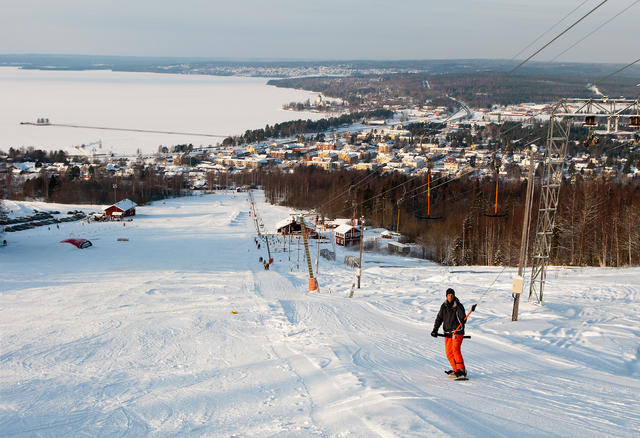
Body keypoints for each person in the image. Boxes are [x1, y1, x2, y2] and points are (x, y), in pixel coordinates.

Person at [431, 288, 467, 379]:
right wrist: (435, 329)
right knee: (449, 353)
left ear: (454, 296)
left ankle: (461, 370)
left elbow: (463, 317)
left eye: (452, 295)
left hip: (457, 332)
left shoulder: (458, 305)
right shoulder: (443, 306)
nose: (450, 296)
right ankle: (456, 370)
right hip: (447, 333)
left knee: (455, 350)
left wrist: (463, 318)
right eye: (449, 295)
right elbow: (439, 318)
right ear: (446, 296)